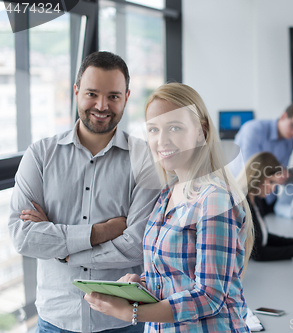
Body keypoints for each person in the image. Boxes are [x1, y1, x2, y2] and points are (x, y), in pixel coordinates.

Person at [8, 52, 160, 333]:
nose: (102, 106)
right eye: (92, 93)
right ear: (76, 92)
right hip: (55, 320)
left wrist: (64, 251)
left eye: (113, 96)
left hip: (122, 322)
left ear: (126, 97)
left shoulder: (145, 158)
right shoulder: (40, 155)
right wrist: (99, 233)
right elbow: (22, 237)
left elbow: (137, 243)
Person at [84, 83, 254, 332]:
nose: (161, 140)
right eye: (153, 129)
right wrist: (139, 284)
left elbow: (209, 297)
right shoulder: (167, 193)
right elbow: (174, 275)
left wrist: (130, 312)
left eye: (174, 127)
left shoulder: (214, 199)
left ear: (200, 131)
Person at [230, 101, 293, 214]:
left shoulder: (289, 142)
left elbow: (280, 173)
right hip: (245, 195)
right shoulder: (253, 129)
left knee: (264, 230)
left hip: (269, 196)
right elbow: (252, 168)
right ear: (283, 116)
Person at [240, 152, 293, 261]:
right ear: (258, 176)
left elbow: (263, 238)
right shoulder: (241, 205)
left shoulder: (256, 200)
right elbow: (258, 253)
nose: (273, 189)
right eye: (271, 182)